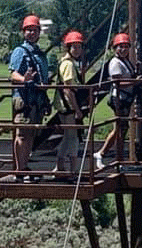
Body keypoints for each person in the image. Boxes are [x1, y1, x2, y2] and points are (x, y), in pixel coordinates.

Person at [8, 15, 50, 180]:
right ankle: (20, 169)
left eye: (34, 30)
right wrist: (23, 80)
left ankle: (24, 166)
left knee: (30, 135)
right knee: (23, 135)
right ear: (23, 32)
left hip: (37, 100)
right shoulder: (20, 51)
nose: (32, 33)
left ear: (39, 32)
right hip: (25, 99)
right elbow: (12, 73)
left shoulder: (39, 53)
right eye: (29, 30)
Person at [94, 33, 138, 170]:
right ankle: (112, 157)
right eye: (120, 47)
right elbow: (118, 83)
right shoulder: (115, 63)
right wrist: (136, 81)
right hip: (119, 98)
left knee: (121, 128)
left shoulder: (126, 62)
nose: (123, 49)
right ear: (115, 49)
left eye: (126, 47)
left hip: (125, 98)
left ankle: (106, 154)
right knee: (121, 128)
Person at [54, 31, 86, 175]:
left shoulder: (68, 63)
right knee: (73, 138)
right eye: (74, 47)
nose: (77, 50)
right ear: (68, 48)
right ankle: (73, 169)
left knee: (68, 136)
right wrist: (77, 109)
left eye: (79, 47)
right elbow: (68, 89)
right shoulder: (69, 65)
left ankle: (60, 166)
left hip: (65, 106)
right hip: (68, 107)